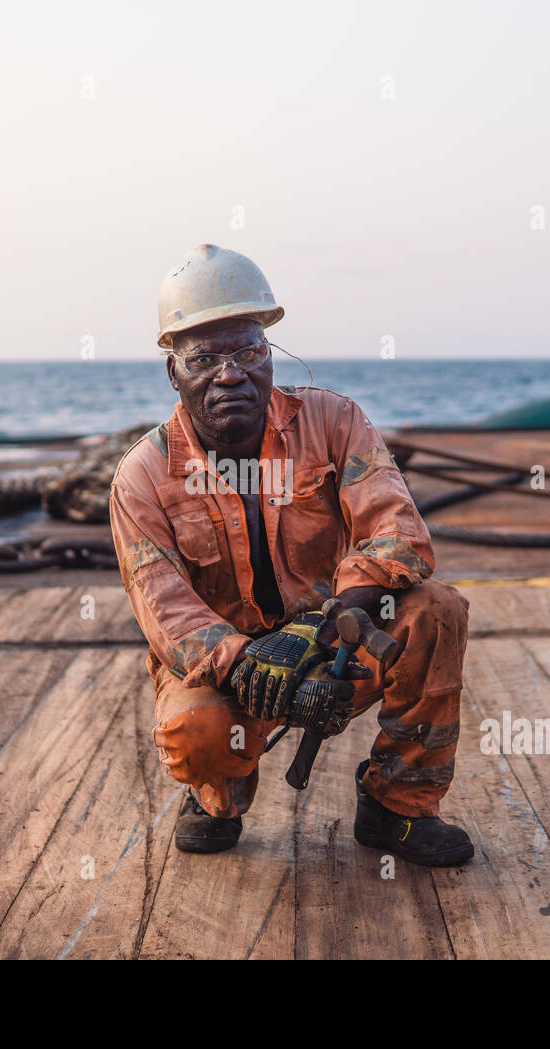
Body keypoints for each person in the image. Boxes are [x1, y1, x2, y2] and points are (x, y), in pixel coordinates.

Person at [109, 245, 474, 866]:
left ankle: (398, 807)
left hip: (336, 638)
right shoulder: (142, 477)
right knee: (197, 734)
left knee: (435, 611)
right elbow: (166, 615)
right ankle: (216, 792)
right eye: (205, 358)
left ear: (269, 355)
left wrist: (328, 620)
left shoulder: (334, 422)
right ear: (174, 374)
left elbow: (400, 532)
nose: (231, 374)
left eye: (248, 352)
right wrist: (255, 665)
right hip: (232, 668)